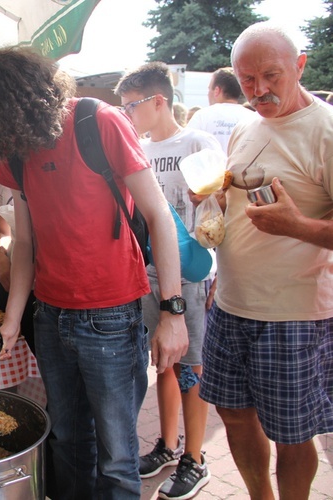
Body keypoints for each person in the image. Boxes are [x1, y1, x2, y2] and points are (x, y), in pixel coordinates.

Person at [0, 47, 188, 500]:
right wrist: (11, 321)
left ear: (17, 102)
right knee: (67, 441)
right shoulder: (19, 151)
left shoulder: (96, 121)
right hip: (51, 317)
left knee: (116, 456)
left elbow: (159, 215)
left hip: (112, 316)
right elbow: (25, 245)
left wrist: (172, 313)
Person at [199, 22, 333, 500]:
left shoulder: (325, 130)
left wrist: (297, 226)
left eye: (271, 76)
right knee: (233, 414)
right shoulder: (244, 126)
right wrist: (214, 208)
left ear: (299, 66)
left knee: (292, 433)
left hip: (293, 313)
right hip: (232, 302)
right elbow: (236, 204)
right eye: (248, 80)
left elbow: (294, 222)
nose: (259, 91)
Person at [114, 61, 222, 500]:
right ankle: (168, 445)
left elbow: (218, 216)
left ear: (159, 101)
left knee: (191, 365)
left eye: (132, 106)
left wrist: (217, 270)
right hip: (146, 273)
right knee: (164, 361)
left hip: (190, 275)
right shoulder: (135, 147)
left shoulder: (198, 141)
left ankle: (195, 458)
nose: (127, 114)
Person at [187, 67, 256, 154]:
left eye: (209, 89)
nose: (208, 94)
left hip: (210, 167)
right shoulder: (252, 118)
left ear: (216, 91)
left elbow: (186, 147)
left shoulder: (202, 116)